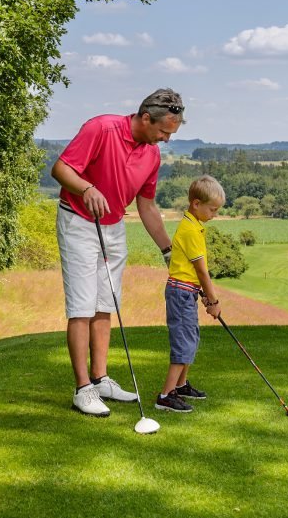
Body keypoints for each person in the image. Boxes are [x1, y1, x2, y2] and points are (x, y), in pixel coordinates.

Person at [51, 88, 184, 417]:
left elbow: (148, 206)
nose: (166, 139)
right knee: (82, 304)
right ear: (145, 118)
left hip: (114, 227)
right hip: (79, 222)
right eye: (163, 132)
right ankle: (83, 389)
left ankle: (100, 378)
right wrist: (87, 188)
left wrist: (168, 250)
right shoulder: (101, 128)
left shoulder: (152, 155)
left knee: (105, 303)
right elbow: (61, 169)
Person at [156, 176, 225, 413]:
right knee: (183, 342)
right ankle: (165, 395)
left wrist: (202, 295)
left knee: (191, 339)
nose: (214, 214)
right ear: (196, 204)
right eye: (212, 209)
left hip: (187, 291)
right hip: (179, 293)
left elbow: (194, 274)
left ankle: (181, 385)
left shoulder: (194, 225)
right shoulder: (190, 230)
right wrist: (213, 301)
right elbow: (202, 271)